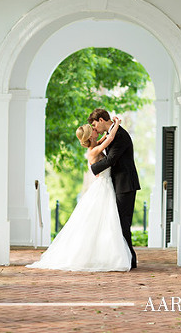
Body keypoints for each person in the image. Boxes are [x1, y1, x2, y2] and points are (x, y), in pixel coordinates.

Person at [27, 118, 131, 272]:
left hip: (106, 186)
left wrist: (112, 128)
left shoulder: (96, 144)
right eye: (93, 129)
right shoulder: (93, 151)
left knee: (107, 222)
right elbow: (109, 138)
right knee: (103, 220)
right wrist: (117, 124)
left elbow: (106, 138)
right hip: (103, 186)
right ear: (90, 136)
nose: (96, 129)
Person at [88, 108, 140, 269]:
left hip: (125, 184)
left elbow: (111, 159)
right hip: (117, 183)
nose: (95, 128)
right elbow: (104, 142)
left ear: (102, 120)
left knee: (123, 222)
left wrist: (93, 167)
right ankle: (127, 258)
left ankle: (129, 259)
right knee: (119, 222)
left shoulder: (119, 135)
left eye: (95, 124)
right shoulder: (113, 132)